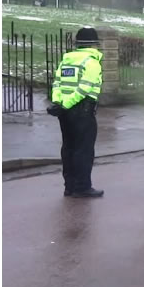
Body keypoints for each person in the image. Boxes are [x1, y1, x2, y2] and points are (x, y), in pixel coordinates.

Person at [47, 27, 104, 198]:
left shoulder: (66, 61)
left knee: (68, 148)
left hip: (64, 112)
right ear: (94, 44)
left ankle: (69, 186)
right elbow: (84, 88)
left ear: (78, 44)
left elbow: (56, 83)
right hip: (82, 111)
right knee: (83, 150)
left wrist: (59, 103)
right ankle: (82, 187)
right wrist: (68, 104)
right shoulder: (92, 62)